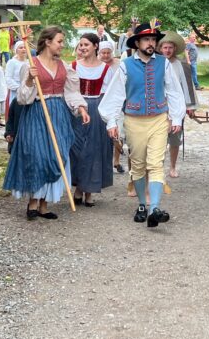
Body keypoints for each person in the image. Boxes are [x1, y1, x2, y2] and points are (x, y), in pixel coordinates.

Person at [99, 22, 186, 228]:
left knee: (156, 163)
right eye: (147, 39)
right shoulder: (126, 64)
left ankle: (154, 207)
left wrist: (175, 116)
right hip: (134, 120)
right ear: (137, 42)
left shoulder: (163, 63)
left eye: (154, 40)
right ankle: (141, 204)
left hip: (158, 118)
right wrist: (111, 120)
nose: (151, 43)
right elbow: (116, 94)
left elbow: (173, 90)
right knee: (138, 164)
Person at [3, 26, 90, 220]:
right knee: (38, 156)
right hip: (36, 113)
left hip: (58, 113)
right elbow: (23, 99)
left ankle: (44, 205)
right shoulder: (30, 66)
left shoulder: (65, 67)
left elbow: (72, 92)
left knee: (56, 155)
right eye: (59, 41)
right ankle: (33, 201)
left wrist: (81, 108)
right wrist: (29, 81)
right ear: (48, 42)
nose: (62, 45)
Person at [69, 33, 114, 206]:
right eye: (80, 45)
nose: (82, 48)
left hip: (97, 107)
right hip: (76, 108)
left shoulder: (105, 69)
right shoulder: (72, 66)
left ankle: (88, 191)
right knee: (77, 148)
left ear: (96, 46)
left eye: (86, 44)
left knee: (94, 149)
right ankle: (79, 186)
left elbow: (109, 94)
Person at [157, 31, 196, 178]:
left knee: (174, 138)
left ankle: (172, 166)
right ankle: (157, 166)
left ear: (174, 49)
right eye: (165, 47)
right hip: (159, 107)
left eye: (170, 48)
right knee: (159, 138)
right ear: (160, 48)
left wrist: (189, 106)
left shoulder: (180, 65)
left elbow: (186, 86)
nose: (167, 50)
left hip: (175, 106)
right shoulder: (156, 63)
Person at [98, 41, 125, 173]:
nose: (106, 55)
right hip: (101, 98)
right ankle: (102, 161)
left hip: (116, 100)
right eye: (103, 52)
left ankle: (116, 160)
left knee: (117, 132)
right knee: (101, 134)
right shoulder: (97, 64)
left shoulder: (119, 64)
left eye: (108, 52)